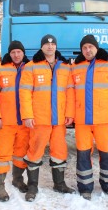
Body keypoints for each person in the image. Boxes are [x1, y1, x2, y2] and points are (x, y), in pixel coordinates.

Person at [71, 34, 108, 201]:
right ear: (81, 50)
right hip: (82, 119)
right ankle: (85, 187)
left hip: (103, 119)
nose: (88, 50)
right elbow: (69, 92)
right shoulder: (75, 66)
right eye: (84, 48)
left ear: (96, 48)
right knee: (83, 154)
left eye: (90, 47)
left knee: (106, 153)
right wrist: (70, 114)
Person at [19, 34, 75, 202]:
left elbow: (70, 92)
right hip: (39, 119)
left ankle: (59, 184)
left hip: (59, 120)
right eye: (47, 44)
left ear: (56, 47)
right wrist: (27, 115)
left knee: (59, 151)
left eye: (53, 44)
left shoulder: (65, 67)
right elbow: (25, 93)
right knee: (35, 151)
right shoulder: (31, 66)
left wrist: (70, 113)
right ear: (42, 47)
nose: (50, 47)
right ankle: (32, 186)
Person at [0, 41, 30, 202]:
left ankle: (17, 179)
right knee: (2, 154)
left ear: (23, 53)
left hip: (25, 122)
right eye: (13, 52)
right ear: (9, 53)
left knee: (21, 154)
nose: (16, 55)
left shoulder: (30, 68)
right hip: (6, 122)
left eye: (19, 52)